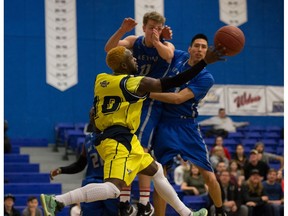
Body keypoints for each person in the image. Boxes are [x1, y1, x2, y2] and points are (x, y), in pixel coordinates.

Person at [40, 45, 224, 216]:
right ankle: (57, 201)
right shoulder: (132, 84)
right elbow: (172, 82)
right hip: (117, 141)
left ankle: (187, 214)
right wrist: (204, 62)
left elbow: (93, 111)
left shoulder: (101, 79)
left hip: (125, 138)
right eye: (131, 58)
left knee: (157, 170)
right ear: (123, 64)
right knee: (113, 189)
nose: (136, 60)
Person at [104, 12, 174, 215]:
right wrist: (122, 30)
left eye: (158, 28)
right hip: (129, 98)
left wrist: (159, 40)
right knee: (128, 149)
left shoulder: (165, 46)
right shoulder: (135, 42)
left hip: (149, 101)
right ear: (143, 27)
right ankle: (125, 201)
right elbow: (109, 49)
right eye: (151, 27)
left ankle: (143, 202)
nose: (155, 31)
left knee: (141, 150)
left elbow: (168, 55)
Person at [150, 34, 227, 216]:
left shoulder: (206, 77)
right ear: (190, 48)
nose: (200, 50)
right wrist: (161, 37)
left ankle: (220, 210)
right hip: (164, 125)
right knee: (161, 176)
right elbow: (161, 51)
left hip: (187, 127)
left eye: (204, 47)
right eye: (197, 46)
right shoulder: (178, 56)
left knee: (208, 174)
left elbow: (177, 99)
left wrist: (148, 93)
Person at [49, 108, 119, 216]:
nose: (92, 118)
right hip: (105, 184)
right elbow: (80, 164)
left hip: (102, 184)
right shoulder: (93, 138)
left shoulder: (94, 138)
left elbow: (79, 165)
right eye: (92, 116)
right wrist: (61, 170)